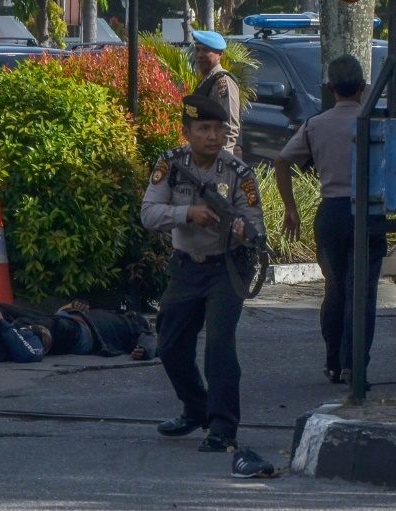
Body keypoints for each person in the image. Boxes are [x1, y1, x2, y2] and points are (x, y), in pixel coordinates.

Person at [140, 94, 266, 452]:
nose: (213, 136)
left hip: (227, 268)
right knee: (170, 345)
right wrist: (187, 214)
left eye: (219, 129)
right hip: (185, 267)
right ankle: (196, 408)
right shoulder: (170, 164)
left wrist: (242, 230)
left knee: (219, 347)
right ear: (187, 131)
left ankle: (223, 427)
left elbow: (254, 225)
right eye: (204, 129)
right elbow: (148, 213)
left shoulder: (239, 173)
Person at [273, 54, 387, 386]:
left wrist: (290, 209)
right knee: (361, 292)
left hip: (332, 213)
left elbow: (282, 162)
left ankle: (333, 362)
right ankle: (355, 365)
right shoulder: (374, 124)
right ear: (363, 88)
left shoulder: (315, 125)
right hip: (370, 212)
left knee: (335, 289)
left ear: (329, 88)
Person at [0, 300, 157, 361]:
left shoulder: (134, 328)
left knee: (38, 329)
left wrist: (144, 351)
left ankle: (6, 330)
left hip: (81, 334)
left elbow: (151, 341)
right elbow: (64, 312)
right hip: (63, 319)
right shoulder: (114, 314)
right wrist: (75, 305)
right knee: (2, 307)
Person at [191, 30, 242, 158]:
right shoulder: (207, 80)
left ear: (220, 54)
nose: (199, 55)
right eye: (197, 50)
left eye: (205, 50)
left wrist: (222, 159)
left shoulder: (223, 81)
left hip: (218, 156)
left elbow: (230, 125)